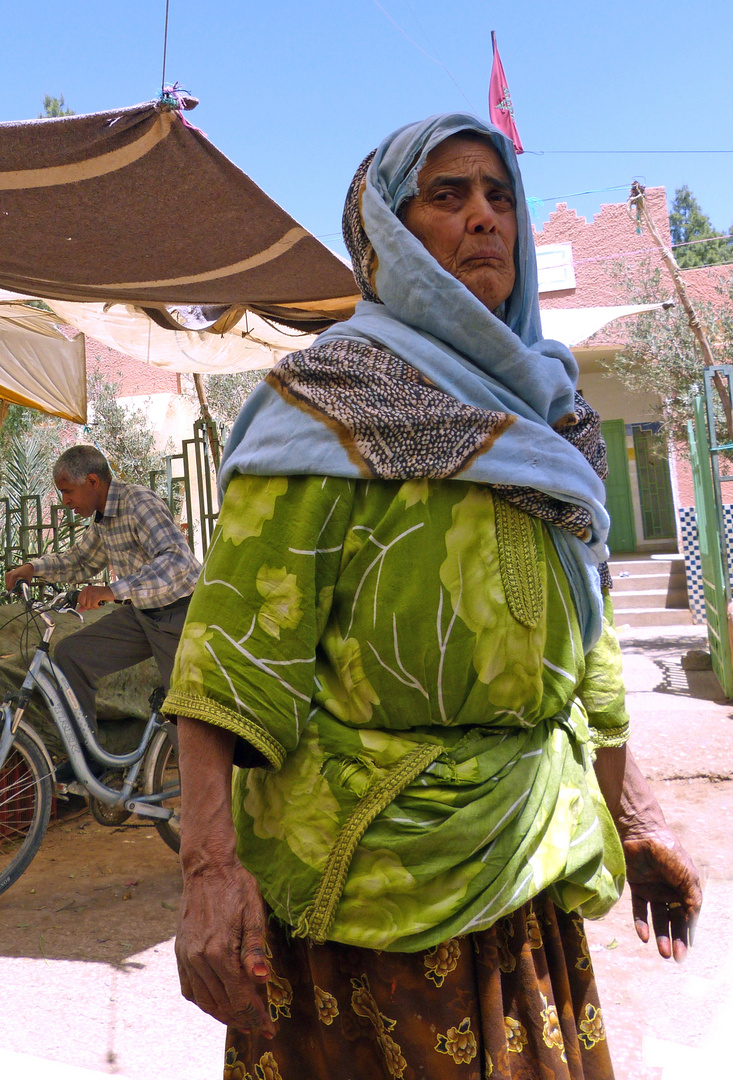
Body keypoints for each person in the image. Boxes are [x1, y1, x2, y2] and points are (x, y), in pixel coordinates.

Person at [166, 114, 702, 1080]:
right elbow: (230, 662)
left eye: (498, 197)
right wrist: (208, 866)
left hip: (526, 867)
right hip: (362, 894)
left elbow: (589, 648)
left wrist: (639, 817)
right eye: (446, 196)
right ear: (390, 235)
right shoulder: (326, 402)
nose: (484, 218)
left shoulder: (556, 418)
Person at [5, 444, 200, 735]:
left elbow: (176, 558)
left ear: (93, 481)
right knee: (72, 654)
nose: (65, 501)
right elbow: (82, 561)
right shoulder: (102, 518)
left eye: (68, 491)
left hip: (179, 615)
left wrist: (113, 590)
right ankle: (86, 755)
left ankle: (189, 776)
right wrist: (34, 569)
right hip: (142, 614)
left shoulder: (138, 503)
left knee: (183, 712)